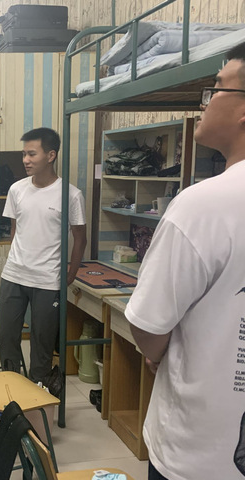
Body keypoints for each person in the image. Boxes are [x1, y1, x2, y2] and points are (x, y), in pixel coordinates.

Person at [126, 43, 245, 480]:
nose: (205, 102)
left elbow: (148, 326)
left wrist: (158, 351)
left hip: (198, 455)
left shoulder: (204, 205)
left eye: (217, 88)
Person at [0, 127, 87, 386]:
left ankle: (38, 389)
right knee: (6, 335)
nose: (25, 160)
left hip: (48, 280)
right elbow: (15, 231)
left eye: (31, 154)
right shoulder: (17, 189)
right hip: (14, 275)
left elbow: (80, 238)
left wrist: (71, 274)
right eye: (24, 154)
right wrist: (15, 259)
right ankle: (11, 387)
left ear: (51, 155)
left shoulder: (71, 195)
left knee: (42, 342)